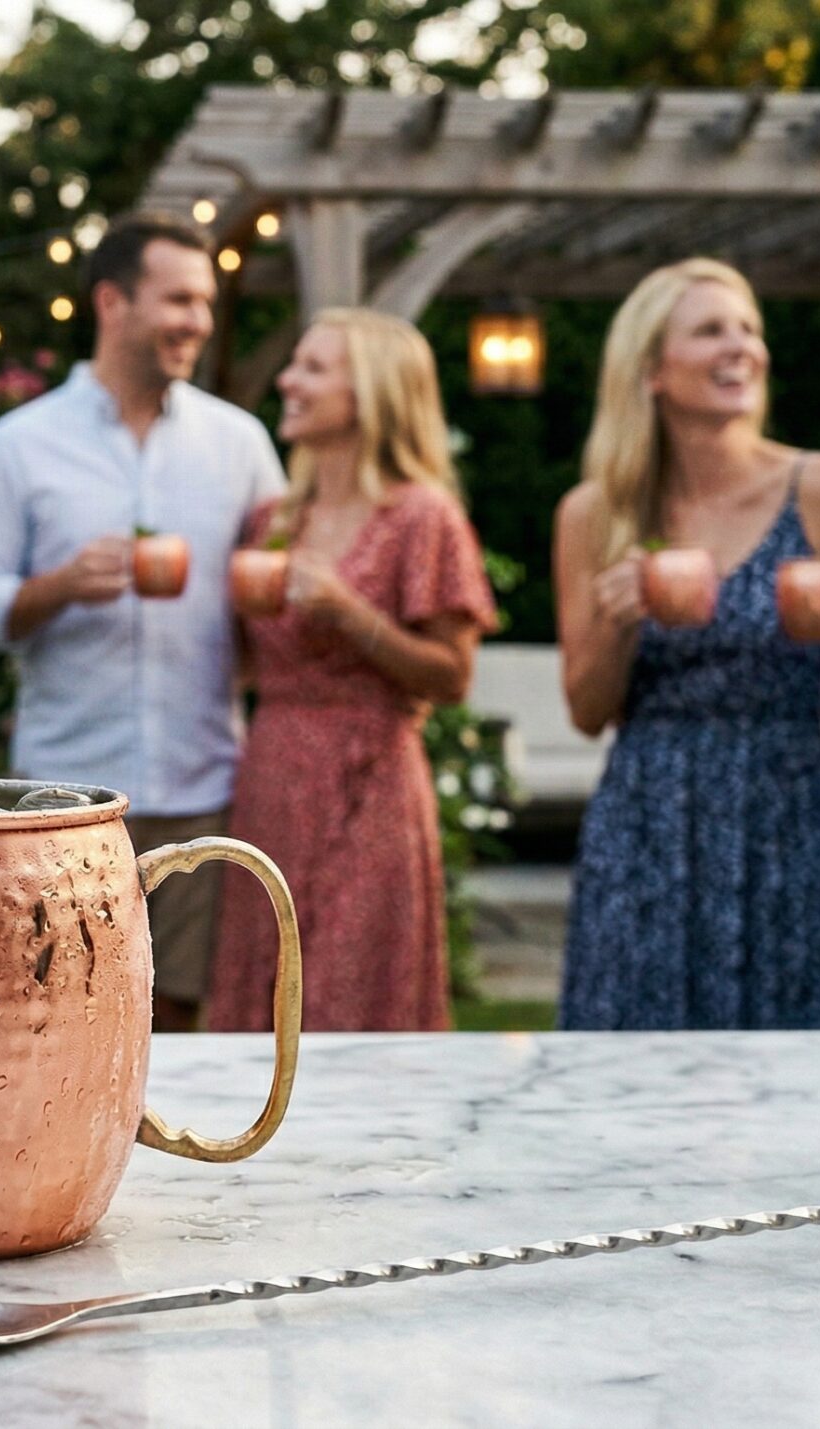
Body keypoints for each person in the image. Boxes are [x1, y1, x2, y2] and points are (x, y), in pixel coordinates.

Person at [0, 213, 286, 1031]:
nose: (197, 322)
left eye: (204, 303)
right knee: (56, 1010)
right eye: (178, 300)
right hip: (65, 791)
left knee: (176, 1016)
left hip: (201, 783)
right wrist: (57, 587)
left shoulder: (239, 444)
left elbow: (275, 605)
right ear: (111, 301)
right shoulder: (19, 444)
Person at [554, 258, 820, 1031]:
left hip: (788, 808)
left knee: (790, 1046)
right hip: (649, 817)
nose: (741, 347)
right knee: (632, 1059)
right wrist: (619, 619)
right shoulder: (597, 513)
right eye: (710, 330)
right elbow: (588, 710)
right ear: (653, 371)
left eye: (749, 329)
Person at [207, 310, 495, 1034]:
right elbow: (247, 657)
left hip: (371, 783)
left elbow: (453, 675)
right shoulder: (275, 518)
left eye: (312, 368)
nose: (287, 381)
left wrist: (350, 612)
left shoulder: (421, 516)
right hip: (272, 777)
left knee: (350, 992)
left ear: (369, 393)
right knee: (262, 989)